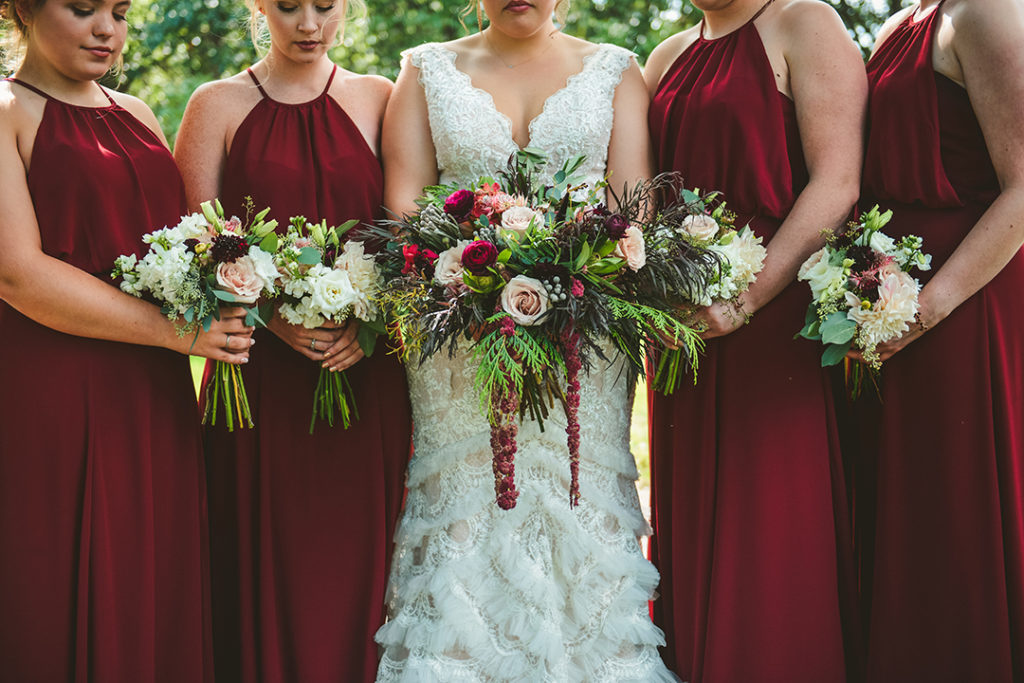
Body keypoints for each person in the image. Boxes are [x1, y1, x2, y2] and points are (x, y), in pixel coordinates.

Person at [374, 0, 675, 680]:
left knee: (579, 504)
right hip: (459, 336)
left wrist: (576, 280)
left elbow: (636, 218)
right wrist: (475, 279)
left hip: (587, 338)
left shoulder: (616, 71)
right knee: (465, 509)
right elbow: (405, 210)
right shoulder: (425, 71)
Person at [0, 0, 254, 680]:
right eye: (83, 9)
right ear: (24, 8)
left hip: (156, 393)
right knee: (56, 584)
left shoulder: (137, 113)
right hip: (54, 392)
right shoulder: (6, 111)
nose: (106, 28)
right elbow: (17, 274)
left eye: (117, 10)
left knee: (151, 579)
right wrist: (182, 333)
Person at [173, 0, 411, 681]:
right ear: (258, 8)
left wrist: (370, 326)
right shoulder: (215, 105)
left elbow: (407, 238)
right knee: (267, 560)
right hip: (259, 384)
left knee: (365, 565)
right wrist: (272, 318)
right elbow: (194, 245)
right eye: (287, 6)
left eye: (325, 6)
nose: (308, 23)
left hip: (368, 377)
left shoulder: (379, 98)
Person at [643, 0, 866, 680]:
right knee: (690, 524)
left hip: (773, 322)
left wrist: (746, 297)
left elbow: (837, 182)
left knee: (769, 530)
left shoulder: (806, 22)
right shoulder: (667, 56)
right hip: (680, 331)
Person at [852, 0, 1024, 679]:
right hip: (896, 299)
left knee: (956, 506)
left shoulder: (989, 13)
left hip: (967, 299)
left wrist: (934, 303)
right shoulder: (903, 22)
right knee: (910, 506)